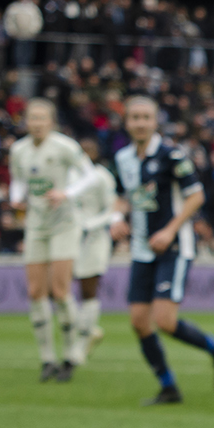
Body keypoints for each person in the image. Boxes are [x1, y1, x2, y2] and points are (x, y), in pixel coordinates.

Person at [111, 96, 214, 404]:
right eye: (134, 117)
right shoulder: (124, 158)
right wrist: (115, 218)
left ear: (155, 122)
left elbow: (196, 196)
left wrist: (169, 229)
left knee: (164, 320)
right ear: (127, 122)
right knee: (139, 321)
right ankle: (168, 386)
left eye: (146, 117)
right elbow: (122, 196)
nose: (140, 122)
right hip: (141, 248)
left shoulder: (172, 155)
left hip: (175, 246)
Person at [9, 98, 97, 382]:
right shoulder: (19, 150)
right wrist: (16, 200)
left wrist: (67, 193)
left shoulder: (64, 147)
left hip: (64, 224)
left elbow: (90, 175)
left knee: (60, 291)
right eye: (31, 118)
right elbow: (18, 180)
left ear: (51, 121)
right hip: (36, 225)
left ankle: (72, 354)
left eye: (41, 118)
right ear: (26, 121)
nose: (36, 123)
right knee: (36, 291)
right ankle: (47, 358)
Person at [69, 139, 119, 365]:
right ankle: (89, 330)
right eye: (83, 150)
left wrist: (89, 225)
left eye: (91, 150)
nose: (86, 154)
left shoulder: (102, 177)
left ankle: (80, 344)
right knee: (60, 290)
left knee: (88, 290)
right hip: (70, 238)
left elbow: (111, 210)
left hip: (95, 240)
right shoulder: (70, 176)